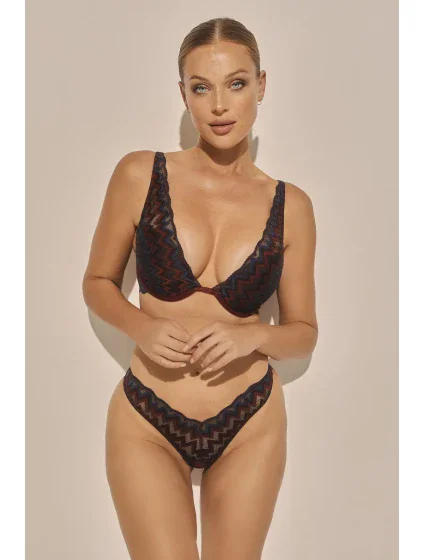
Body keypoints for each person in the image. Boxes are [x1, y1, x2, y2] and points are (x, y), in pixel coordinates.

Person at [82, 16, 318, 560]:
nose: (219, 106)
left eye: (236, 83)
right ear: (183, 93)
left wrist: (253, 336)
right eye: (201, 87)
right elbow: (97, 282)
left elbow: (304, 332)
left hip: (249, 421)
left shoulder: (293, 206)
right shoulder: (140, 174)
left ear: (261, 85)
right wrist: (140, 326)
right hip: (148, 416)